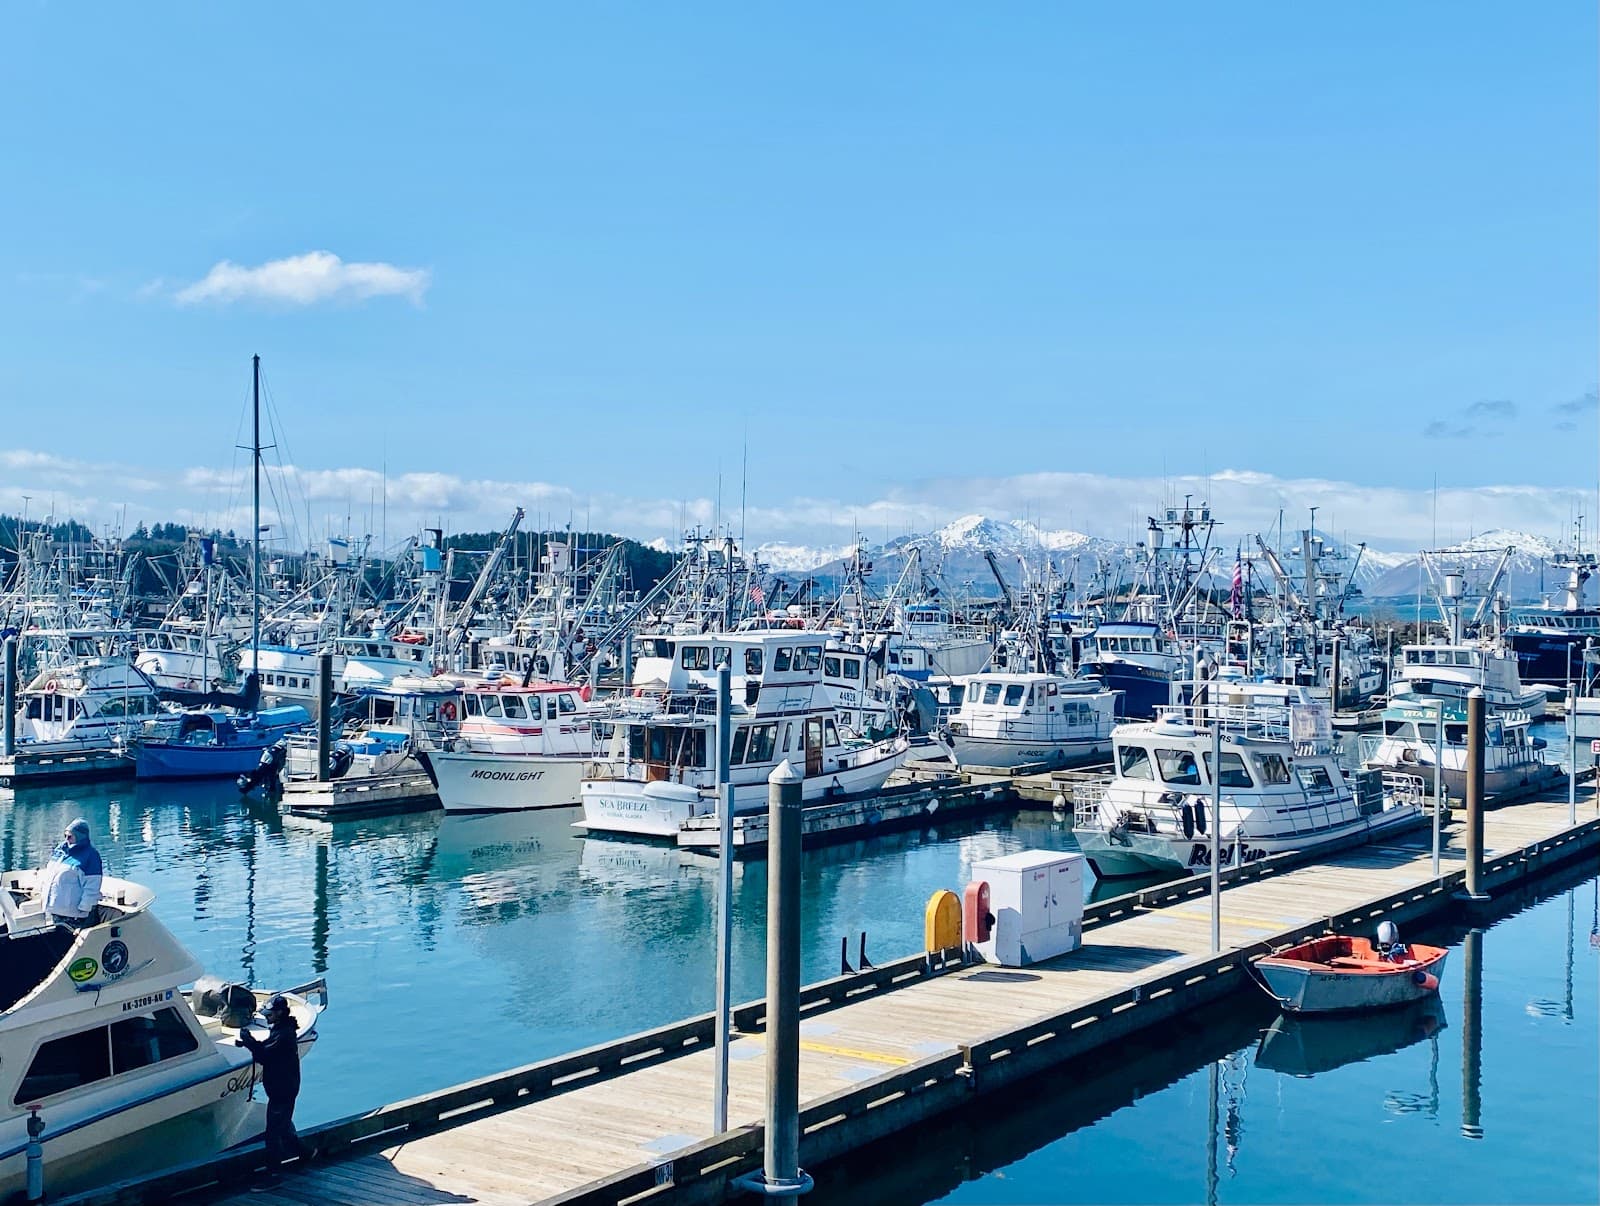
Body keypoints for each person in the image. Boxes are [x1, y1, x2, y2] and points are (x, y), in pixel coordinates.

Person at [237, 995, 312, 1183]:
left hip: (282, 1090)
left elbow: (265, 1055)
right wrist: (249, 1043)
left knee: (272, 1134)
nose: (267, 1017)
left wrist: (248, 1041)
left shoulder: (284, 1034)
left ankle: (274, 1174)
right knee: (283, 1127)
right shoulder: (281, 1030)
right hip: (284, 1087)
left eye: (269, 1014)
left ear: (279, 1013)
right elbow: (267, 1049)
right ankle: (307, 1154)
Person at [40, 819, 103, 928]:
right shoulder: (60, 851)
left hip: (74, 915)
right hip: (55, 911)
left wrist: (84, 909)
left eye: (70, 836)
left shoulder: (91, 855)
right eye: (65, 835)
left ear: (80, 836)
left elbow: (92, 885)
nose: (66, 839)